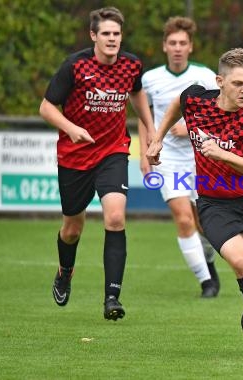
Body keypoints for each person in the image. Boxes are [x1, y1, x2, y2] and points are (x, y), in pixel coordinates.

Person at [145, 48, 243, 356]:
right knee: (242, 263)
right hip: (213, 204)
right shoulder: (196, 99)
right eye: (238, 84)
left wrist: (222, 154)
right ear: (220, 81)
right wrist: (157, 138)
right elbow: (177, 105)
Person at [39, 6, 156, 321]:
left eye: (116, 34)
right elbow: (47, 107)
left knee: (116, 218)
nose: (112, 39)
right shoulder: (74, 66)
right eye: (106, 33)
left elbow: (137, 94)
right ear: (93, 36)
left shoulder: (131, 65)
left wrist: (152, 132)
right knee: (72, 229)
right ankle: (65, 271)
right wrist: (71, 128)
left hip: (112, 152)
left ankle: (112, 298)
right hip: (75, 156)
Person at [138, 16, 220, 298]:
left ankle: (208, 260)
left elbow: (221, 112)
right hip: (168, 160)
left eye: (182, 43)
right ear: (164, 46)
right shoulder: (150, 79)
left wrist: (191, 126)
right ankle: (206, 282)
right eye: (172, 42)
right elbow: (143, 116)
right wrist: (144, 153)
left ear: (190, 47)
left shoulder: (206, 76)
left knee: (205, 224)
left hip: (203, 159)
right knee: (184, 219)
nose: (177, 47)